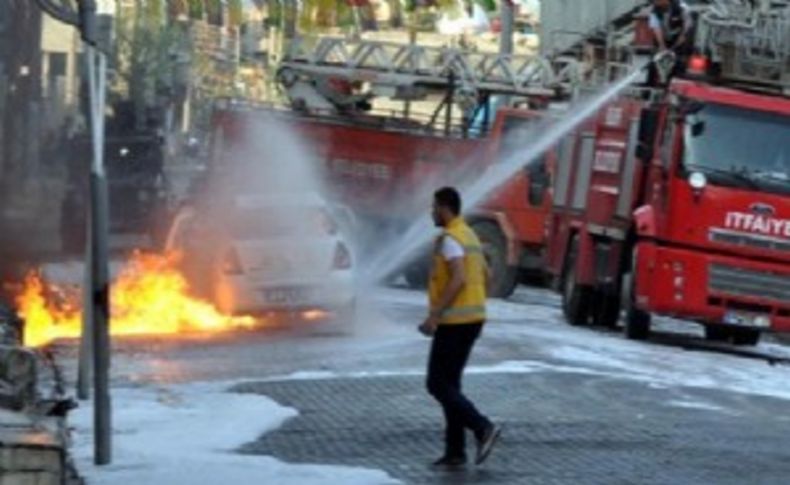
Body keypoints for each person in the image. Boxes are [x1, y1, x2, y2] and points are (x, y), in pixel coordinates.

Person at [420, 187, 501, 467]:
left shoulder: (451, 239)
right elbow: (487, 276)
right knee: (450, 384)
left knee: (437, 383)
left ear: (444, 208)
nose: (431, 213)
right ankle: (455, 451)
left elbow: (458, 279)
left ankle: (482, 428)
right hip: (472, 320)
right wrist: (475, 303)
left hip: (454, 323)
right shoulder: (470, 235)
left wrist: (435, 316)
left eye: (433, 208)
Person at [647, 0, 694, 86]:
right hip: (664, 40)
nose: (654, 2)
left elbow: (687, 26)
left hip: (678, 41)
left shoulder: (681, 7)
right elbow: (656, 28)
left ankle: (673, 89)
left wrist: (681, 38)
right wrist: (662, 47)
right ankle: (649, 91)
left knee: (677, 65)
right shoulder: (655, 11)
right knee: (654, 64)